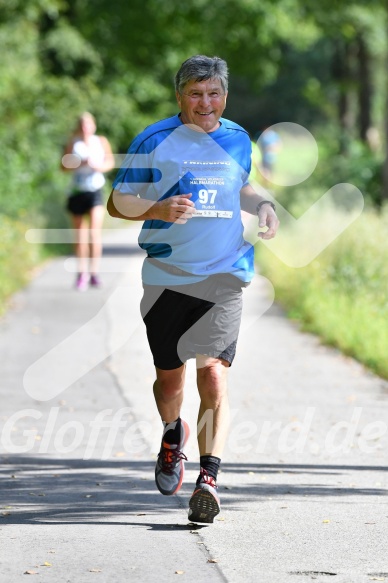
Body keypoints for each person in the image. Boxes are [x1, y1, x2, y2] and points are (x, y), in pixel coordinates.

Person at [107, 55, 279, 523]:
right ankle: (170, 433)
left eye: (214, 93)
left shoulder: (238, 138)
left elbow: (239, 186)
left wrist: (263, 204)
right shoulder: (155, 139)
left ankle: (208, 478)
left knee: (214, 375)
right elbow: (118, 201)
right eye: (196, 94)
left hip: (224, 275)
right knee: (170, 379)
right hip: (167, 277)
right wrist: (157, 210)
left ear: (225, 95)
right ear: (180, 96)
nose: (207, 103)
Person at [61, 112, 114, 291]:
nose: (85, 128)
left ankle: (94, 273)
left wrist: (98, 166)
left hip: (95, 190)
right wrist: (78, 163)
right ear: (79, 127)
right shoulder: (73, 142)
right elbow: (62, 166)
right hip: (77, 191)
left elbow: (110, 162)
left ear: (93, 126)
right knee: (80, 235)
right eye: (82, 125)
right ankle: (81, 273)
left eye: (88, 124)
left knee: (94, 233)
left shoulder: (101, 141)